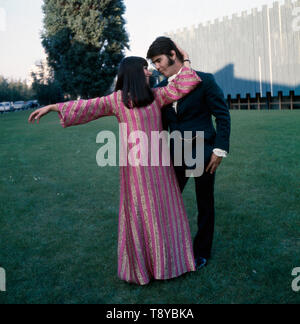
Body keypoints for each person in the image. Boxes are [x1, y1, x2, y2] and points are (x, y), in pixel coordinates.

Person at [28, 49, 202, 286]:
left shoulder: (156, 95)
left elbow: (186, 82)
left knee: (165, 210)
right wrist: (52, 107)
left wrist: (186, 59)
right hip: (137, 170)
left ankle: (169, 263)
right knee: (144, 212)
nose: (149, 70)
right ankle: (147, 267)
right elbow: (86, 107)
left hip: (160, 165)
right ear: (134, 73)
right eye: (144, 67)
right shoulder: (117, 100)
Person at [147, 37, 231, 270]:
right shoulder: (160, 89)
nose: (157, 67)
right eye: (153, 63)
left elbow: (222, 117)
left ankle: (202, 252)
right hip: (176, 154)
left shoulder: (205, 81)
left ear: (173, 54)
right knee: (167, 203)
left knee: (205, 204)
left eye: (158, 60)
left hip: (205, 153)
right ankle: (170, 247)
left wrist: (219, 150)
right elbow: (162, 125)